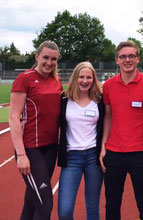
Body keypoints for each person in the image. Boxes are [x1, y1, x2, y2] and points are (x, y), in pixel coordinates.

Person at [100, 40, 143, 220]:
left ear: (138, 58)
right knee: (112, 205)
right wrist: (103, 145)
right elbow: (108, 117)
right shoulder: (108, 86)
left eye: (131, 56)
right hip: (114, 153)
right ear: (117, 60)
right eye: (123, 56)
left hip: (140, 154)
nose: (127, 60)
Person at [9, 41, 62, 220]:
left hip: (51, 148)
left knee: (32, 200)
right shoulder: (25, 78)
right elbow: (14, 117)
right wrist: (22, 155)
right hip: (31, 149)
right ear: (37, 56)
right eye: (46, 57)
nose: (49, 62)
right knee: (45, 204)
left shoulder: (57, 80)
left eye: (53, 59)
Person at [57, 62, 104, 220]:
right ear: (75, 78)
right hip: (72, 159)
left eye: (89, 77)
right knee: (64, 211)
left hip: (93, 157)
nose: (85, 80)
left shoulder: (99, 100)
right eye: (81, 77)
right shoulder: (64, 99)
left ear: (93, 79)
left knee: (92, 208)